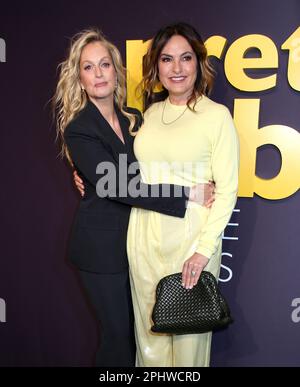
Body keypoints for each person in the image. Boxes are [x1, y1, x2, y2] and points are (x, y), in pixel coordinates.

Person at [54, 28, 214, 367]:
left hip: (140, 244)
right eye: (88, 67)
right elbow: (117, 186)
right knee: (119, 341)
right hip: (101, 251)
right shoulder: (79, 128)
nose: (98, 74)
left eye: (104, 65)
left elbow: (152, 169)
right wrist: (188, 194)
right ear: (79, 79)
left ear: (116, 71)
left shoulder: (135, 118)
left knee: (144, 338)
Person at [125, 22, 239, 367]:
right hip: (143, 237)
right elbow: (131, 176)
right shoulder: (150, 115)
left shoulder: (217, 116)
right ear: (156, 67)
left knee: (189, 349)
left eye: (185, 58)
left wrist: (203, 252)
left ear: (199, 64)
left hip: (192, 240)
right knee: (149, 343)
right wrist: (84, 174)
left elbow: (228, 190)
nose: (176, 69)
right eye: (167, 59)